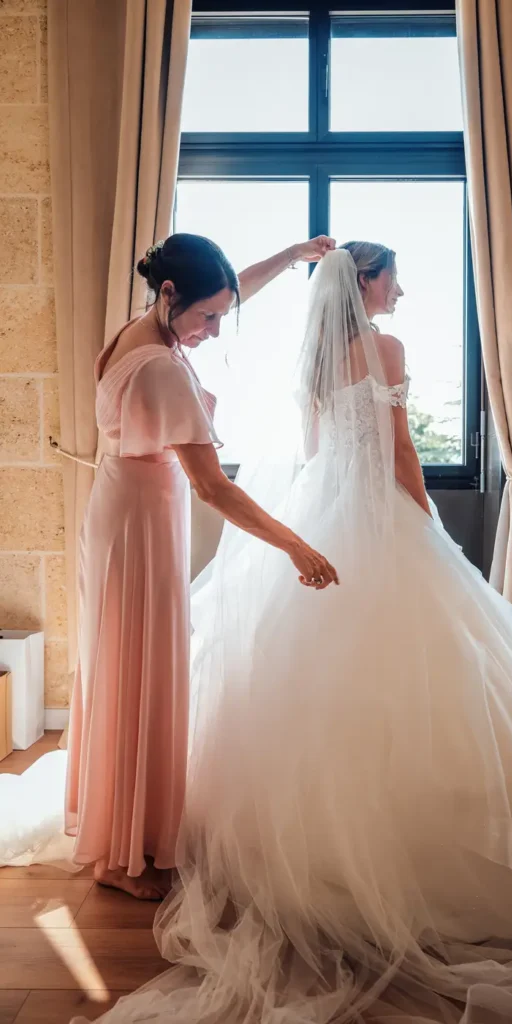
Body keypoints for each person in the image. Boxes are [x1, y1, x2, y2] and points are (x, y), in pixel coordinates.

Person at [83, 244, 512, 1023]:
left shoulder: (218, 342)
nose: (401, 290)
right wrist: (425, 523)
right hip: (360, 513)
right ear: (365, 283)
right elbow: (399, 449)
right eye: (394, 278)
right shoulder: (382, 346)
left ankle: (212, 828)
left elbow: (315, 442)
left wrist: (293, 256)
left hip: (313, 499)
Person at [1, 233, 339, 901]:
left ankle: (120, 831)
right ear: (169, 295)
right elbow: (213, 488)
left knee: (124, 672)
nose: (213, 330)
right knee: (138, 676)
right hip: (141, 525)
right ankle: (121, 858)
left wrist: (287, 257)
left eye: (220, 315)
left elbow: (222, 292)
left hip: (123, 510)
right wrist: (295, 545)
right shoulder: (162, 368)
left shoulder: (140, 330)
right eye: (208, 317)